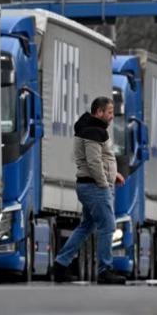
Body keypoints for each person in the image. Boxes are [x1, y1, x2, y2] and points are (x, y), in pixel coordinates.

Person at [52, 96, 127, 285]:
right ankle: (105, 270)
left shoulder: (92, 129)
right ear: (99, 112)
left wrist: (113, 175)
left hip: (89, 184)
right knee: (108, 226)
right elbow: (94, 162)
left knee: (86, 226)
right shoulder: (93, 131)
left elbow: (100, 159)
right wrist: (104, 183)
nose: (112, 116)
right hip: (94, 186)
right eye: (109, 112)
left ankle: (61, 264)